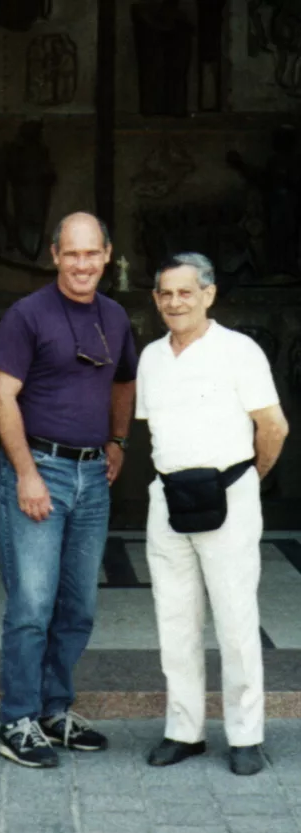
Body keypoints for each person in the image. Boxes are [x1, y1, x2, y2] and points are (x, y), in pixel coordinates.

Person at [0, 212, 138, 768]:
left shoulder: (115, 316)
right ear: (54, 255)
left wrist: (118, 439)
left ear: (107, 255)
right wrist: (26, 472)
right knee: (32, 603)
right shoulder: (27, 315)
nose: (82, 264)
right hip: (40, 469)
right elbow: (1, 395)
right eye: (71, 253)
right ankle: (17, 719)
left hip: (92, 475)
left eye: (91, 253)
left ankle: (54, 711)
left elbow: (124, 380)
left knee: (78, 604)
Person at [137, 252, 288, 776]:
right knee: (175, 618)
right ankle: (185, 730)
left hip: (229, 494)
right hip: (169, 498)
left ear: (209, 294)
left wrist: (249, 480)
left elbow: (274, 427)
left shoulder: (239, 351)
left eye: (186, 292)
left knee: (235, 619)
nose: (175, 302)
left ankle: (246, 736)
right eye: (166, 293)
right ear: (155, 299)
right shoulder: (152, 357)